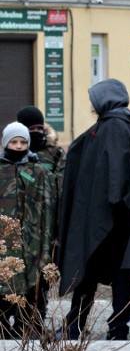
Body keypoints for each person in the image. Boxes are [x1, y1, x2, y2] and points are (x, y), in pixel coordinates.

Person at [56, 79, 130, 341]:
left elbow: (115, 173)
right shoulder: (121, 125)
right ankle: (115, 328)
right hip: (119, 218)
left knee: (91, 273)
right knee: (120, 277)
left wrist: (111, 208)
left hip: (108, 219)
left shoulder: (113, 128)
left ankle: (78, 326)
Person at [0, 122, 55, 338]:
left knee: (32, 287)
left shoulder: (37, 171)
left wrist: (47, 243)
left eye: (23, 142)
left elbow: (46, 207)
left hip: (30, 240)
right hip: (4, 241)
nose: (19, 146)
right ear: (6, 143)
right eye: (14, 141)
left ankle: (28, 329)